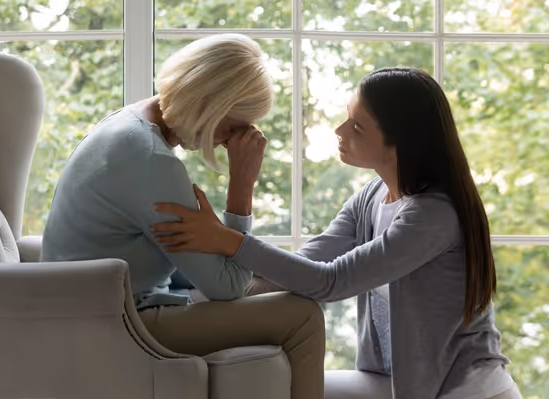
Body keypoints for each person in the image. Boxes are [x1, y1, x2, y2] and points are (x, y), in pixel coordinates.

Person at [152, 67, 522, 399]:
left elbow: (332, 282)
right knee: (279, 389)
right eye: (347, 118)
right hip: (399, 383)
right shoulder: (372, 196)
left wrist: (229, 240)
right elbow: (303, 265)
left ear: (399, 145)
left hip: (467, 389)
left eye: (357, 126)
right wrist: (191, 296)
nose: (339, 130)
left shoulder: (433, 215)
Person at [41, 34, 325, 399]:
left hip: (104, 307)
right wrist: (243, 182)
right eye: (233, 127)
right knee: (303, 315)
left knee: (276, 285)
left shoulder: (129, 124)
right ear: (209, 103)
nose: (228, 142)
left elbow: (211, 271)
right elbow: (228, 287)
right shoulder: (151, 160)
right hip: (118, 322)